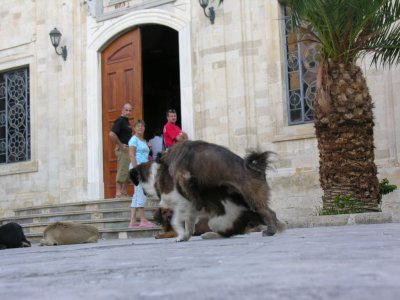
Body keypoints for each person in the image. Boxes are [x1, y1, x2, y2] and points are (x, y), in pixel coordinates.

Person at [128, 120, 156, 228]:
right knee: (141, 192)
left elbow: (144, 154)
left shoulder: (144, 140)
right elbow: (131, 155)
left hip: (144, 167)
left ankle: (132, 221)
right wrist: (136, 170)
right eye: (138, 126)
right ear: (134, 128)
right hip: (137, 167)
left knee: (136, 194)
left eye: (142, 126)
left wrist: (148, 148)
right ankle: (143, 220)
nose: (140, 128)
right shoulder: (133, 139)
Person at [109, 103, 133, 198]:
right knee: (122, 170)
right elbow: (111, 134)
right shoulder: (120, 121)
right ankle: (118, 193)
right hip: (123, 149)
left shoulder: (127, 122)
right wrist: (120, 145)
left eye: (130, 110)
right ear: (122, 110)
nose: (128, 112)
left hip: (128, 149)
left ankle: (124, 192)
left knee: (128, 170)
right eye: (126, 110)